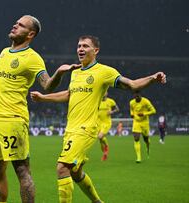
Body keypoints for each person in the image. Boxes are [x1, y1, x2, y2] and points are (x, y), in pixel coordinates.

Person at [30, 35, 166, 203]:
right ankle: (97, 201)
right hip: (70, 129)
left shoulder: (104, 71)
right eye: (79, 46)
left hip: (85, 129)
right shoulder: (76, 73)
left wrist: (153, 78)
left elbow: (132, 85)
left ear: (96, 51)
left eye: (85, 46)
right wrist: (44, 98)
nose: (80, 49)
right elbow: (69, 94)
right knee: (75, 171)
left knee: (62, 168)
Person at [0, 15, 81, 203]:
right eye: (16, 23)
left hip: (13, 120)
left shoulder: (32, 58)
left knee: (22, 171)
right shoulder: (4, 52)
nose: (15, 26)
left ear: (30, 33)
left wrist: (59, 73)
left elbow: (47, 85)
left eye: (21, 25)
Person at [130, 91, 156, 163]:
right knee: (136, 138)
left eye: (138, 96)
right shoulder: (131, 102)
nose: (136, 97)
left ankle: (148, 146)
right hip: (136, 122)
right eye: (135, 96)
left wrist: (144, 114)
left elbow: (153, 111)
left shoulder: (146, 101)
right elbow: (132, 110)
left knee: (146, 139)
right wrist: (132, 114)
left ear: (140, 95)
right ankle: (138, 157)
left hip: (145, 123)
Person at [97, 92, 119, 161]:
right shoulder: (97, 101)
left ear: (107, 93)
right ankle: (104, 153)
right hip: (97, 123)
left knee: (100, 137)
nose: (103, 94)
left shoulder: (110, 101)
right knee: (100, 139)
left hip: (106, 123)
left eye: (105, 92)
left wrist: (112, 112)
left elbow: (117, 109)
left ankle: (106, 148)